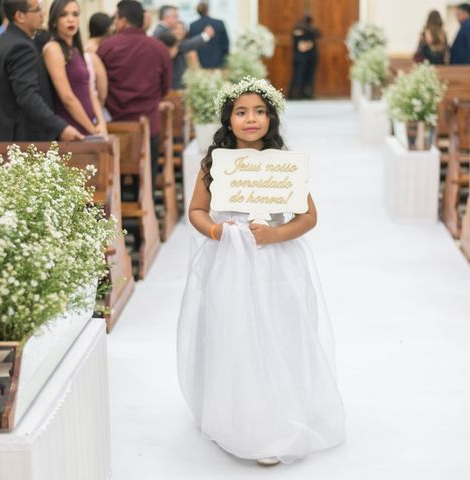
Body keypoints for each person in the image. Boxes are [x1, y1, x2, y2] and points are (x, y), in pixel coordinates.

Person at [177, 77, 345, 466]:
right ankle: (239, 415)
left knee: (277, 329)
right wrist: (217, 231)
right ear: (228, 119)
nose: (251, 119)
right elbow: (196, 211)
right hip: (230, 261)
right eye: (241, 112)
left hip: (276, 262)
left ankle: (277, 417)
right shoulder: (215, 164)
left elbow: (309, 217)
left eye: (259, 111)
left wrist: (274, 235)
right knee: (234, 331)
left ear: (270, 117)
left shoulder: (282, 164)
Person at [98, 0, 171, 188]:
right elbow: (164, 88)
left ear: (122, 20)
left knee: (115, 179)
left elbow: (99, 87)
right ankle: (150, 212)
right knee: (147, 178)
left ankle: (117, 213)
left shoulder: (107, 47)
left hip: (115, 125)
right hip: (147, 123)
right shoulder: (159, 48)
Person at [0, 0, 82, 142]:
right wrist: (60, 127)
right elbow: (28, 96)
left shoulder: (3, 40)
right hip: (23, 141)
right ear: (20, 16)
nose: (43, 13)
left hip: (7, 138)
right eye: (37, 9)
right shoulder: (20, 47)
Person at [43, 0, 106, 136]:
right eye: (64, 15)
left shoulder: (76, 50)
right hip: (73, 130)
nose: (71, 19)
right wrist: (92, 130)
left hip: (91, 125)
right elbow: (67, 98)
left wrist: (101, 122)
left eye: (75, 14)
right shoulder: (53, 49)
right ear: (54, 21)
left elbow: (88, 89)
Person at [152, 5, 213, 87]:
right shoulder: (162, 31)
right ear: (166, 17)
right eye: (175, 17)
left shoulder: (162, 30)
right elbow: (181, 46)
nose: (177, 20)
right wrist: (205, 36)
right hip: (172, 80)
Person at [288, 14, 320, 99]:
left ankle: (304, 94)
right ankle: (294, 94)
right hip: (300, 58)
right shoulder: (299, 33)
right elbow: (302, 47)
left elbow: (318, 34)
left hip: (307, 58)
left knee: (307, 76)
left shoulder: (310, 32)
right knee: (298, 76)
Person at [188, 2, 229, 68]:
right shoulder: (219, 23)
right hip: (218, 61)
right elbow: (225, 43)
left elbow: (192, 45)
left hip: (200, 62)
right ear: (208, 9)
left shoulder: (193, 25)